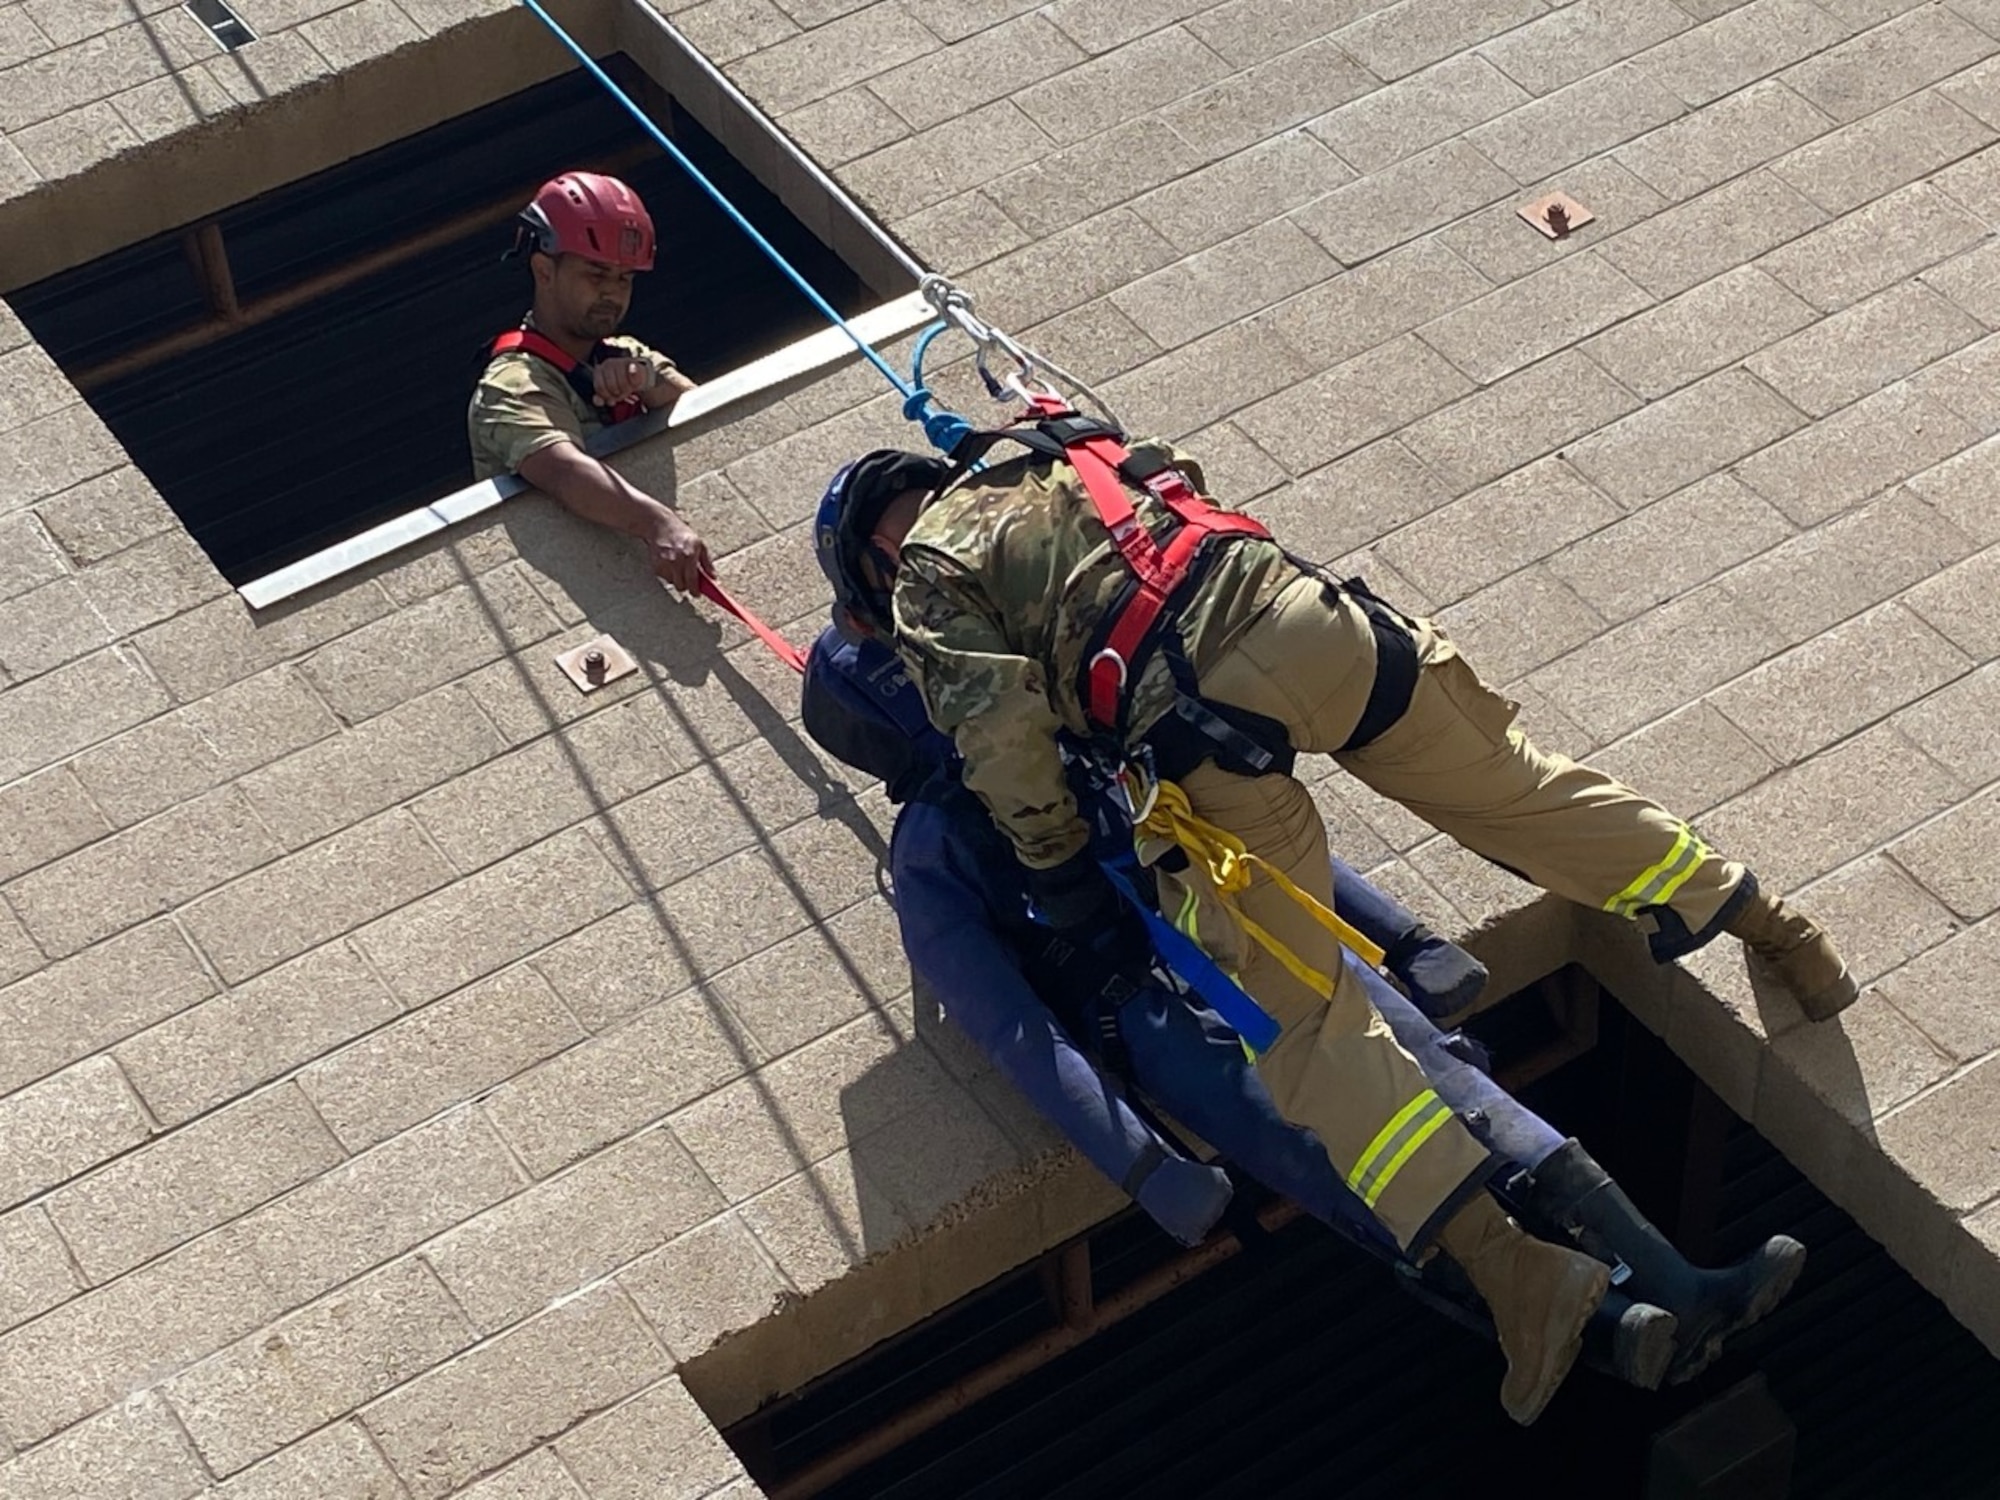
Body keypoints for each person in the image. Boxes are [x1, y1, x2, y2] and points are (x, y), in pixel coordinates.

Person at [800, 627, 1805, 1421]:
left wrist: (1400, 938)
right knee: (1376, 1172)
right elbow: (1015, 1027)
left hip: (1255, 948)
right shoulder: (947, 842)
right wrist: (1142, 1161)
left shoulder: (1064, 744)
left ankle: (1676, 1284)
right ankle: (1617, 1326)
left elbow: (1226, 829)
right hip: (1180, 1022)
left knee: (1462, 1106)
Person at [468, 171, 709, 593]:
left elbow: (709, 413)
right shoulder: (510, 382)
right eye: (596, 275)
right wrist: (658, 523)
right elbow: (563, 471)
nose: (612, 294)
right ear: (544, 270)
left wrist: (644, 378)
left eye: (624, 279)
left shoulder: (625, 349)